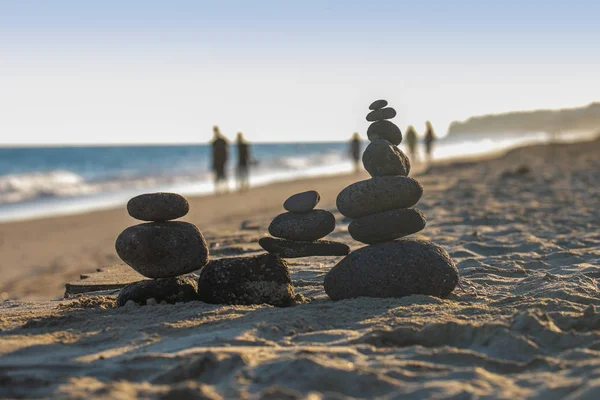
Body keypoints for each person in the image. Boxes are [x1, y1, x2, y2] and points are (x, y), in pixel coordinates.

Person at [210, 125, 229, 194]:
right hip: (219, 161)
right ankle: (221, 189)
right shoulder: (217, 140)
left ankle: (222, 189)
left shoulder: (218, 140)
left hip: (220, 161)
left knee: (220, 175)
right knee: (220, 175)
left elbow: (225, 151)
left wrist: (225, 159)